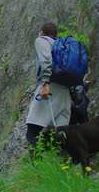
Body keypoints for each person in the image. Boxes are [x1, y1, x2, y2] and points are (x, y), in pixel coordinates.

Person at [25, 22, 72, 152]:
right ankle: (61, 167)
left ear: (41, 32)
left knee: (32, 133)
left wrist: (45, 84)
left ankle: (36, 169)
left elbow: (46, 61)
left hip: (50, 90)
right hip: (65, 93)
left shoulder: (42, 40)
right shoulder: (62, 47)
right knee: (59, 135)